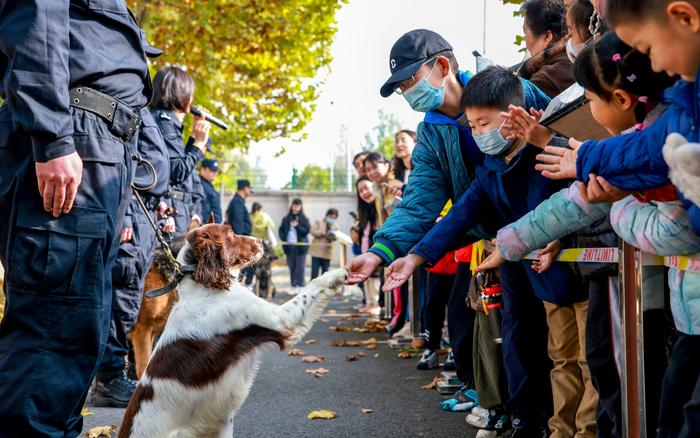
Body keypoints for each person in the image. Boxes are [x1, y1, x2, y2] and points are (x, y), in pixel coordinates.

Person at [484, 31, 676, 438]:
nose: (587, 111)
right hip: (636, 282)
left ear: (622, 100)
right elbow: (575, 201)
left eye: (589, 101)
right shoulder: (635, 141)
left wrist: (622, 201)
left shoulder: (658, 145)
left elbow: (672, 229)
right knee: (611, 370)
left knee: (627, 379)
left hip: (637, 285)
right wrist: (510, 242)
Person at [347, 28, 548, 414]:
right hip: (496, 244)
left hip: (551, 233)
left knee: (557, 341)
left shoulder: (508, 88)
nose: (409, 95)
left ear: (442, 65)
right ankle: (519, 415)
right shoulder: (432, 133)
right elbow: (421, 200)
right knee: (514, 332)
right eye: (402, 89)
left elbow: (558, 135)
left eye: (410, 82)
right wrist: (380, 252)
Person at [383, 66, 584, 437]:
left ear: (513, 114)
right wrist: (414, 257)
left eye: (483, 124)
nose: (477, 135)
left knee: (581, 359)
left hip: (570, 271)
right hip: (516, 263)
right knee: (524, 343)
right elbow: (460, 215)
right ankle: (529, 420)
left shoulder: (553, 149)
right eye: (472, 126)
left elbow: (573, 206)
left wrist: (539, 242)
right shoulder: (491, 164)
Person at [0, 1, 156, 435]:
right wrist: (51, 136)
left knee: (79, 326)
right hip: (74, 133)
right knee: (55, 327)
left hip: (98, 144)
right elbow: (37, 13)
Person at [91, 106, 172, 407]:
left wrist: (158, 200)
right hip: (130, 210)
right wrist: (123, 213)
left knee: (127, 298)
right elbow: (123, 157)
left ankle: (114, 375)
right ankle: (109, 378)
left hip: (143, 209)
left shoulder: (137, 97)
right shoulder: (124, 95)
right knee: (122, 297)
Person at [150, 66, 211, 237]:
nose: (192, 99)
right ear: (180, 92)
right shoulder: (164, 121)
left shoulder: (160, 119)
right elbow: (178, 171)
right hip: (170, 213)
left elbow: (175, 162)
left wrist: (193, 137)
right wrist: (199, 143)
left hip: (175, 212)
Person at [518, 0, 576, 97]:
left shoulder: (546, 79)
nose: (525, 40)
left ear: (547, 37)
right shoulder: (574, 59)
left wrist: (524, 70)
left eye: (525, 32)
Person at [356, 177, 382, 314]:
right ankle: (370, 303)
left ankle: (376, 304)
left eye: (366, 188)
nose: (364, 192)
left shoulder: (380, 208)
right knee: (367, 279)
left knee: (375, 279)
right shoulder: (364, 212)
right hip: (365, 251)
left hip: (377, 252)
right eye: (360, 191)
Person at [279, 198, 310, 289]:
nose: (296, 206)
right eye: (294, 204)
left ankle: (300, 285)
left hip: (300, 247)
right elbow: (281, 230)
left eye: (298, 205)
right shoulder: (286, 218)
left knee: (300, 267)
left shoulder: (304, 218)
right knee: (291, 266)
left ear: (301, 207)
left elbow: (306, 231)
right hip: (289, 246)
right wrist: (283, 238)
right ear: (292, 205)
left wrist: (297, 226)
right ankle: (293, 285)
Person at [227, 179, 254, 284]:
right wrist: (241, 242)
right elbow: (238, 224)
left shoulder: (238, 201)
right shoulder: (237, 202)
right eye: (249, 189)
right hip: (240, 240)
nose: (249, 192)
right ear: (245, 188)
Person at [309, 208, 339, 280]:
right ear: (327, 215)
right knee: (314, 273)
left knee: (325, 274)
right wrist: (321, 233)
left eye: (333, 218)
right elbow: (312, 231)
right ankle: (312, 290)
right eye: (330, 217)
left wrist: (330, 235)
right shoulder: (319, 222)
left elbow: (336, 237)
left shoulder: (335, 226)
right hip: (316, 251)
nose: (331, 219)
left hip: (327, 253)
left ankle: (324, 290)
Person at [198, 158, 222, 223]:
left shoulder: (208, 185)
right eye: (212, 171)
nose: (215, 173)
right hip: (206, 226)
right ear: (203, 169)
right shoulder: (199, 185)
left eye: (216, 171)